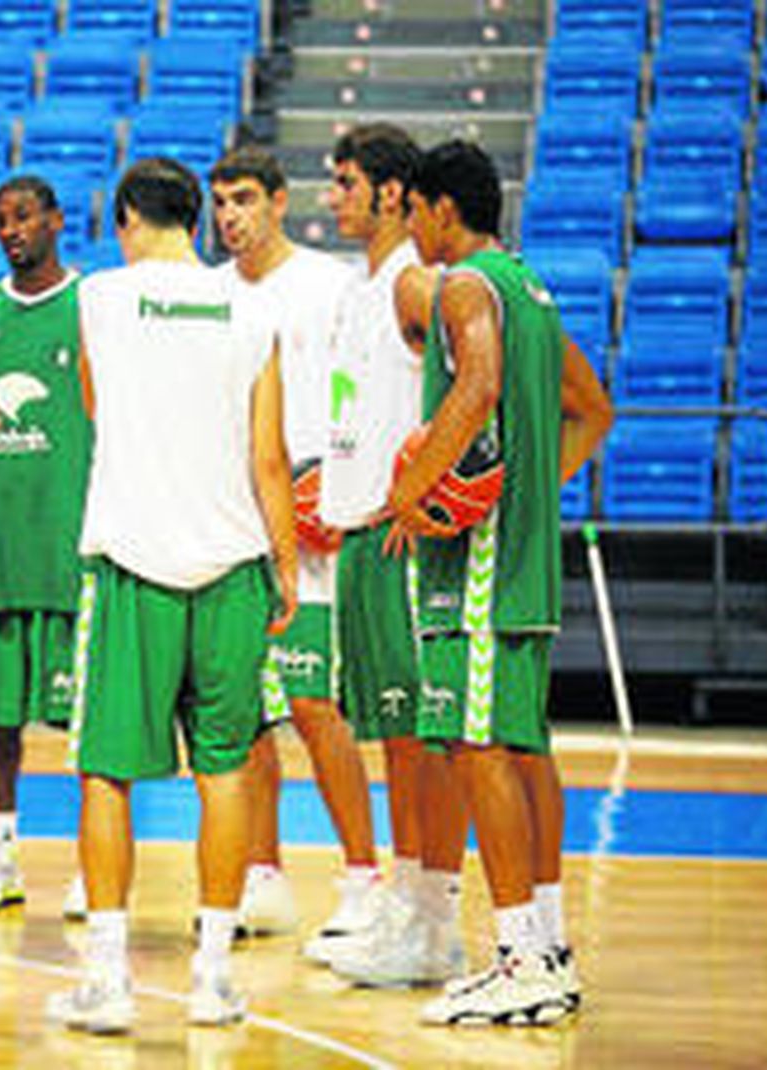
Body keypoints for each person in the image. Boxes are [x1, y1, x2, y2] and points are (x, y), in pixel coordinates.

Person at [48, 157, 298, 1034]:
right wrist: (286, 563)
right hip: (233, 566)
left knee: (106, 773)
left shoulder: (99, 298)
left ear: (127, 219)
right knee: (225, 773)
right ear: (195, 218)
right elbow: (270, 456)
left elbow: (93, 405)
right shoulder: (254, 309)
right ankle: (213, 980)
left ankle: (108, 981)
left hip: (132, 563)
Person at [387, 141, 613, 1026]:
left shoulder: (466, 286)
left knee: (479, 749)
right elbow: (592, 411)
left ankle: (520, 958)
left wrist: (413, 493)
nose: (412, 229)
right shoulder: (532, 290)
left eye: (415, 211)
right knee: (521, 748)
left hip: (478, 571)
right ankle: (546, 947)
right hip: (523, 560)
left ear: (443, 209)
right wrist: (525, 493)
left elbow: (476, 388)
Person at [304, 123, 471, 986]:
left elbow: (480, 386)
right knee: (394, 737)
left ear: (393, 191)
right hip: (359, 536)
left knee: (422, 739)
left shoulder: (415, 282)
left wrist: (425, 490)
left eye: (346, 182)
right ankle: (406, 907)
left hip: (403, 539)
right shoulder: (357, 290)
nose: (332, 196)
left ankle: (436, 921)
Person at [206, 147, 379, 941]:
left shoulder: (331, 286)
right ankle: (263, 875)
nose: (229, 216)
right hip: (235, 527)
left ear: (279, 202)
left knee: (314, 706)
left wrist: (344, 488)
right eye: (219, 202)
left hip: (313, 524)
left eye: (243, 199)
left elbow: (359, 394)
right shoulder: (208, 296)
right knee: (246, 715)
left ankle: (363, 877)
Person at [0, 175, 92, 916]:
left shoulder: (92, 307)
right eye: (0, 219)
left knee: (89, 721)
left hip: (70, 543)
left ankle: (95, 867)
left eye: (24, 216)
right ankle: (0, 860)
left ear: (56, 221)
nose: (10, 230)